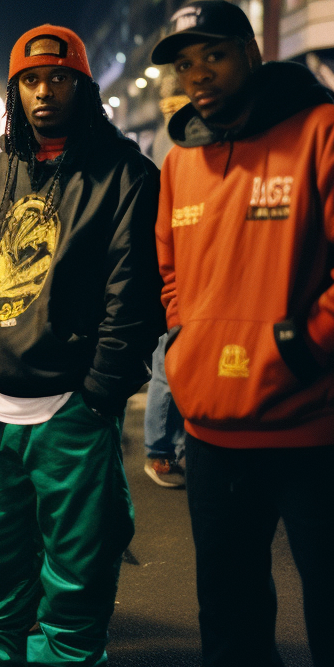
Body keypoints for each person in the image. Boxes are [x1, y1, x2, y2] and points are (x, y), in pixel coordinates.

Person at [0, 25, 163, 667]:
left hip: (70, 400)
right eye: (31, 81)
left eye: (58, 80)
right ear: (14, 90)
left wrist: (101, 388)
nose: (43, 93)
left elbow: (135, 290)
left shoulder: (125, 172)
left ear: (83, 87)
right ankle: (7, 660)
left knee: (77, 553)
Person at [151, 0, 334, 667]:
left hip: (312, 426)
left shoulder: (321, 131)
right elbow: (171, 272)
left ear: (252, 53)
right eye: (184, 62)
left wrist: (299, 346)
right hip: (213, 427)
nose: (198, 75)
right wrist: (191, 341)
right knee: (228, 605)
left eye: (214, 55)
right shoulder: (180, 162)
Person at [144, 76, 190, 489]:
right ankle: (159, 450)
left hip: (172, 267)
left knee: (172, 359)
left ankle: (170, 447)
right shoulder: (178, 141)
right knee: (167, 360)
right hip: (176, 268)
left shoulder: (165, 135)